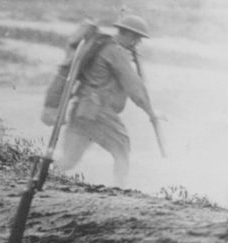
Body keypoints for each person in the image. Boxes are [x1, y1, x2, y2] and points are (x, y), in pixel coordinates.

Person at [57, 14, 158, 185]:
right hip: (99, 112)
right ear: (130, 35)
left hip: (81, 110)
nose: (138, 43)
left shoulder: (101, 45)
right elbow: (135, 88)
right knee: (122, 147)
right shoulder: (115, 52)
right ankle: (120, 190)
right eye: (137, 38)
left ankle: (30, 172)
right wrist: (151, 112)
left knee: (68, 160)